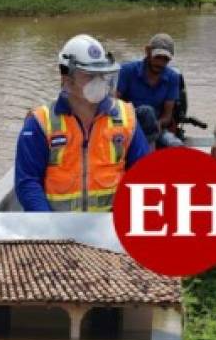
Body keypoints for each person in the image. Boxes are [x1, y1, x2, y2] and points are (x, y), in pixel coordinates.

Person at [15, 34, 150, 211]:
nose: (99, 81)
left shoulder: (127, 118)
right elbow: (28, 183)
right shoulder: (40, 123)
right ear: (67, 78)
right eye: (90, 75)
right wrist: (48, 227)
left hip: (109, 228)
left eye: (102, 74)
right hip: (58, 229)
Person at [116, 33, 184, 148]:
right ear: (148, 51)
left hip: (157, 128)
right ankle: (147, 157)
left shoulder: (173, 77)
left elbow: (167, 116)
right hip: (130, 126)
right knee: (146, 111)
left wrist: (159, 123)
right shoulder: (127, 71)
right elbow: (114, 105)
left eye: (165, 59)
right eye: (157, 57)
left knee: (177, 145)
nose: (160, 63)